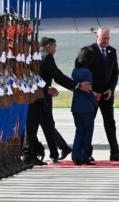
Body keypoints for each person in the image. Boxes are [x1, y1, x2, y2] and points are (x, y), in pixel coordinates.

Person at [23, 37, 90, 165]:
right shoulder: (46, 57)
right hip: (38, 98)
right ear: (48, 46)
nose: (55, 49)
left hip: (37, 96)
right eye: (54, 46)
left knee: (44, 126)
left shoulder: (31, 56)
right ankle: (29, 155)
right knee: (32, 127)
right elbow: (58, 76)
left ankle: (53, 153)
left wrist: (45, 88)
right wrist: (78, 86)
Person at [86, 27, 119, 161]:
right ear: (96, 37)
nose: (106, 41)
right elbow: (84, 72)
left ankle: (115, 153)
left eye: (108, 38)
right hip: (92, 95)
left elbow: (115, 72)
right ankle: (87, 153)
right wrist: (91, 91)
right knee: (89, 124)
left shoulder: (112, 51)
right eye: (104, 38)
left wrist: (111, 89)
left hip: (107, 95)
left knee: (110, 123)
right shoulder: (89, 51)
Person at [70, 47, 98, 165]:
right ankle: (86, 156)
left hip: (76, 106)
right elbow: (88, 90)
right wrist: (95, 100)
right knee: (88, 132)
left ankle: (76, 155)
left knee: (79, 131)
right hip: (86, 107)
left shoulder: (74, 71)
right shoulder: (87, 72)